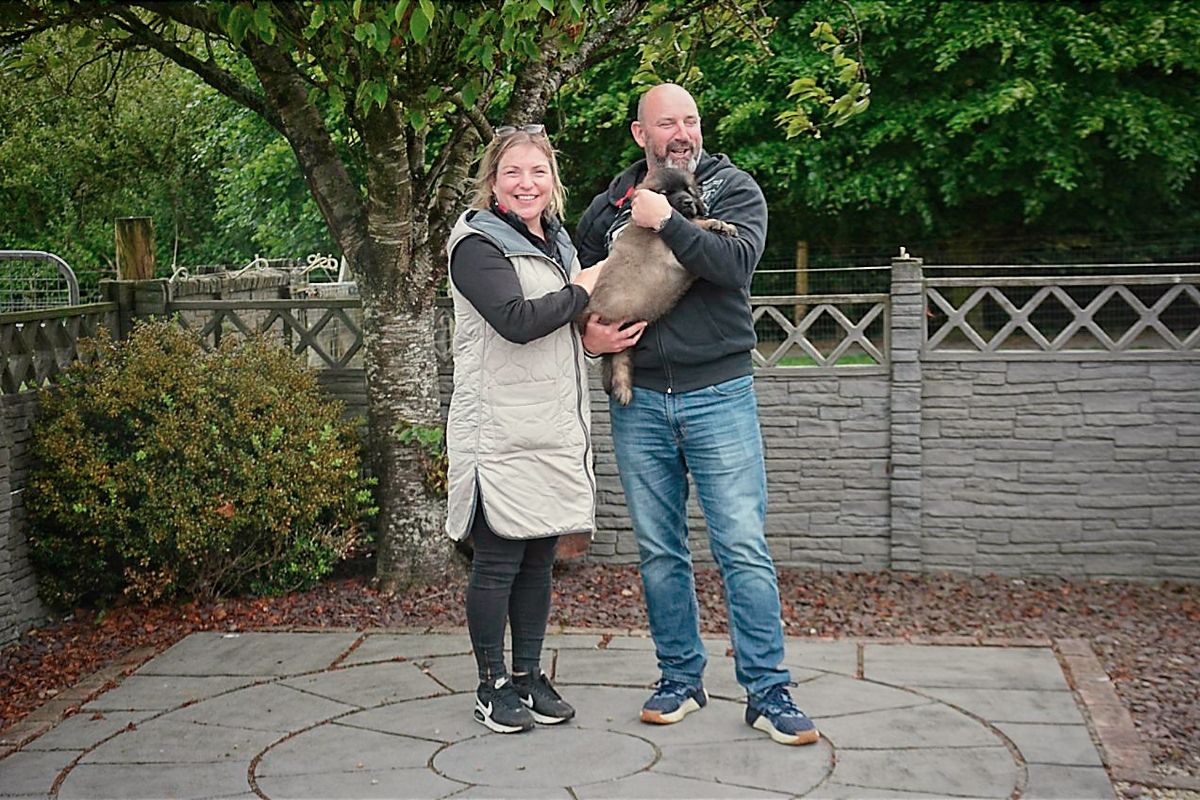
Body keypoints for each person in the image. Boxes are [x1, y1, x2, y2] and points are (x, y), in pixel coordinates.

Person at [575, 84, 820, 746]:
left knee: (741, 545)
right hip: (640, 400)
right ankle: (680, 679)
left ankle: (769, 691)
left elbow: (733, 265)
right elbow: (577, 276)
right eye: (666, 123)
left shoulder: (733, 189)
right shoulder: (610, 204)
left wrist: (667, 220)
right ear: (641, 134)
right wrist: (587, 333)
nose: (681, 133)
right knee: (659, 551)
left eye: (690, 120)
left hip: (719, 393)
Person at [445, 124, 644, 733]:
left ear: (552, 181)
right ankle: (491, 686)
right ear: (493, 182)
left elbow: (561, 327)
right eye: (513, 172)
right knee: (498, 561)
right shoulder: (476, 243)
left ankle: (528, 677)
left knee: (538, 559)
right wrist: (583, 290)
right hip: (499, 430)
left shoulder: (557, 242)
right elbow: (516, 320)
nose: (526, 183)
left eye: (538, 171)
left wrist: (593, 340)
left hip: (552, 426)